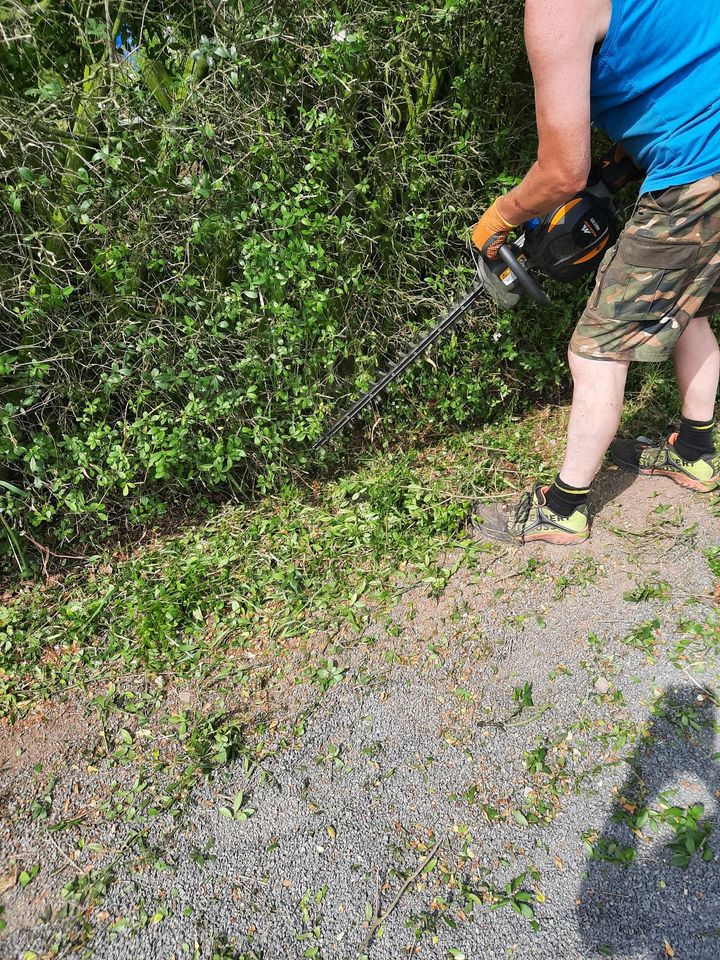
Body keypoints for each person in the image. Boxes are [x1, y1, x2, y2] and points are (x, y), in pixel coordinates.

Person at [471, 0, 720, 545]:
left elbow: (562, 170)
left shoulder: (555, 8)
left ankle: (563, 508)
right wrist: (625, 162)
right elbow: (685, 64)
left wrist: (498, 218)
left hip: (701, 170)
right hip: (707, 156)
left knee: (596, 347)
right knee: (688, 306)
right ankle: (695, 454)